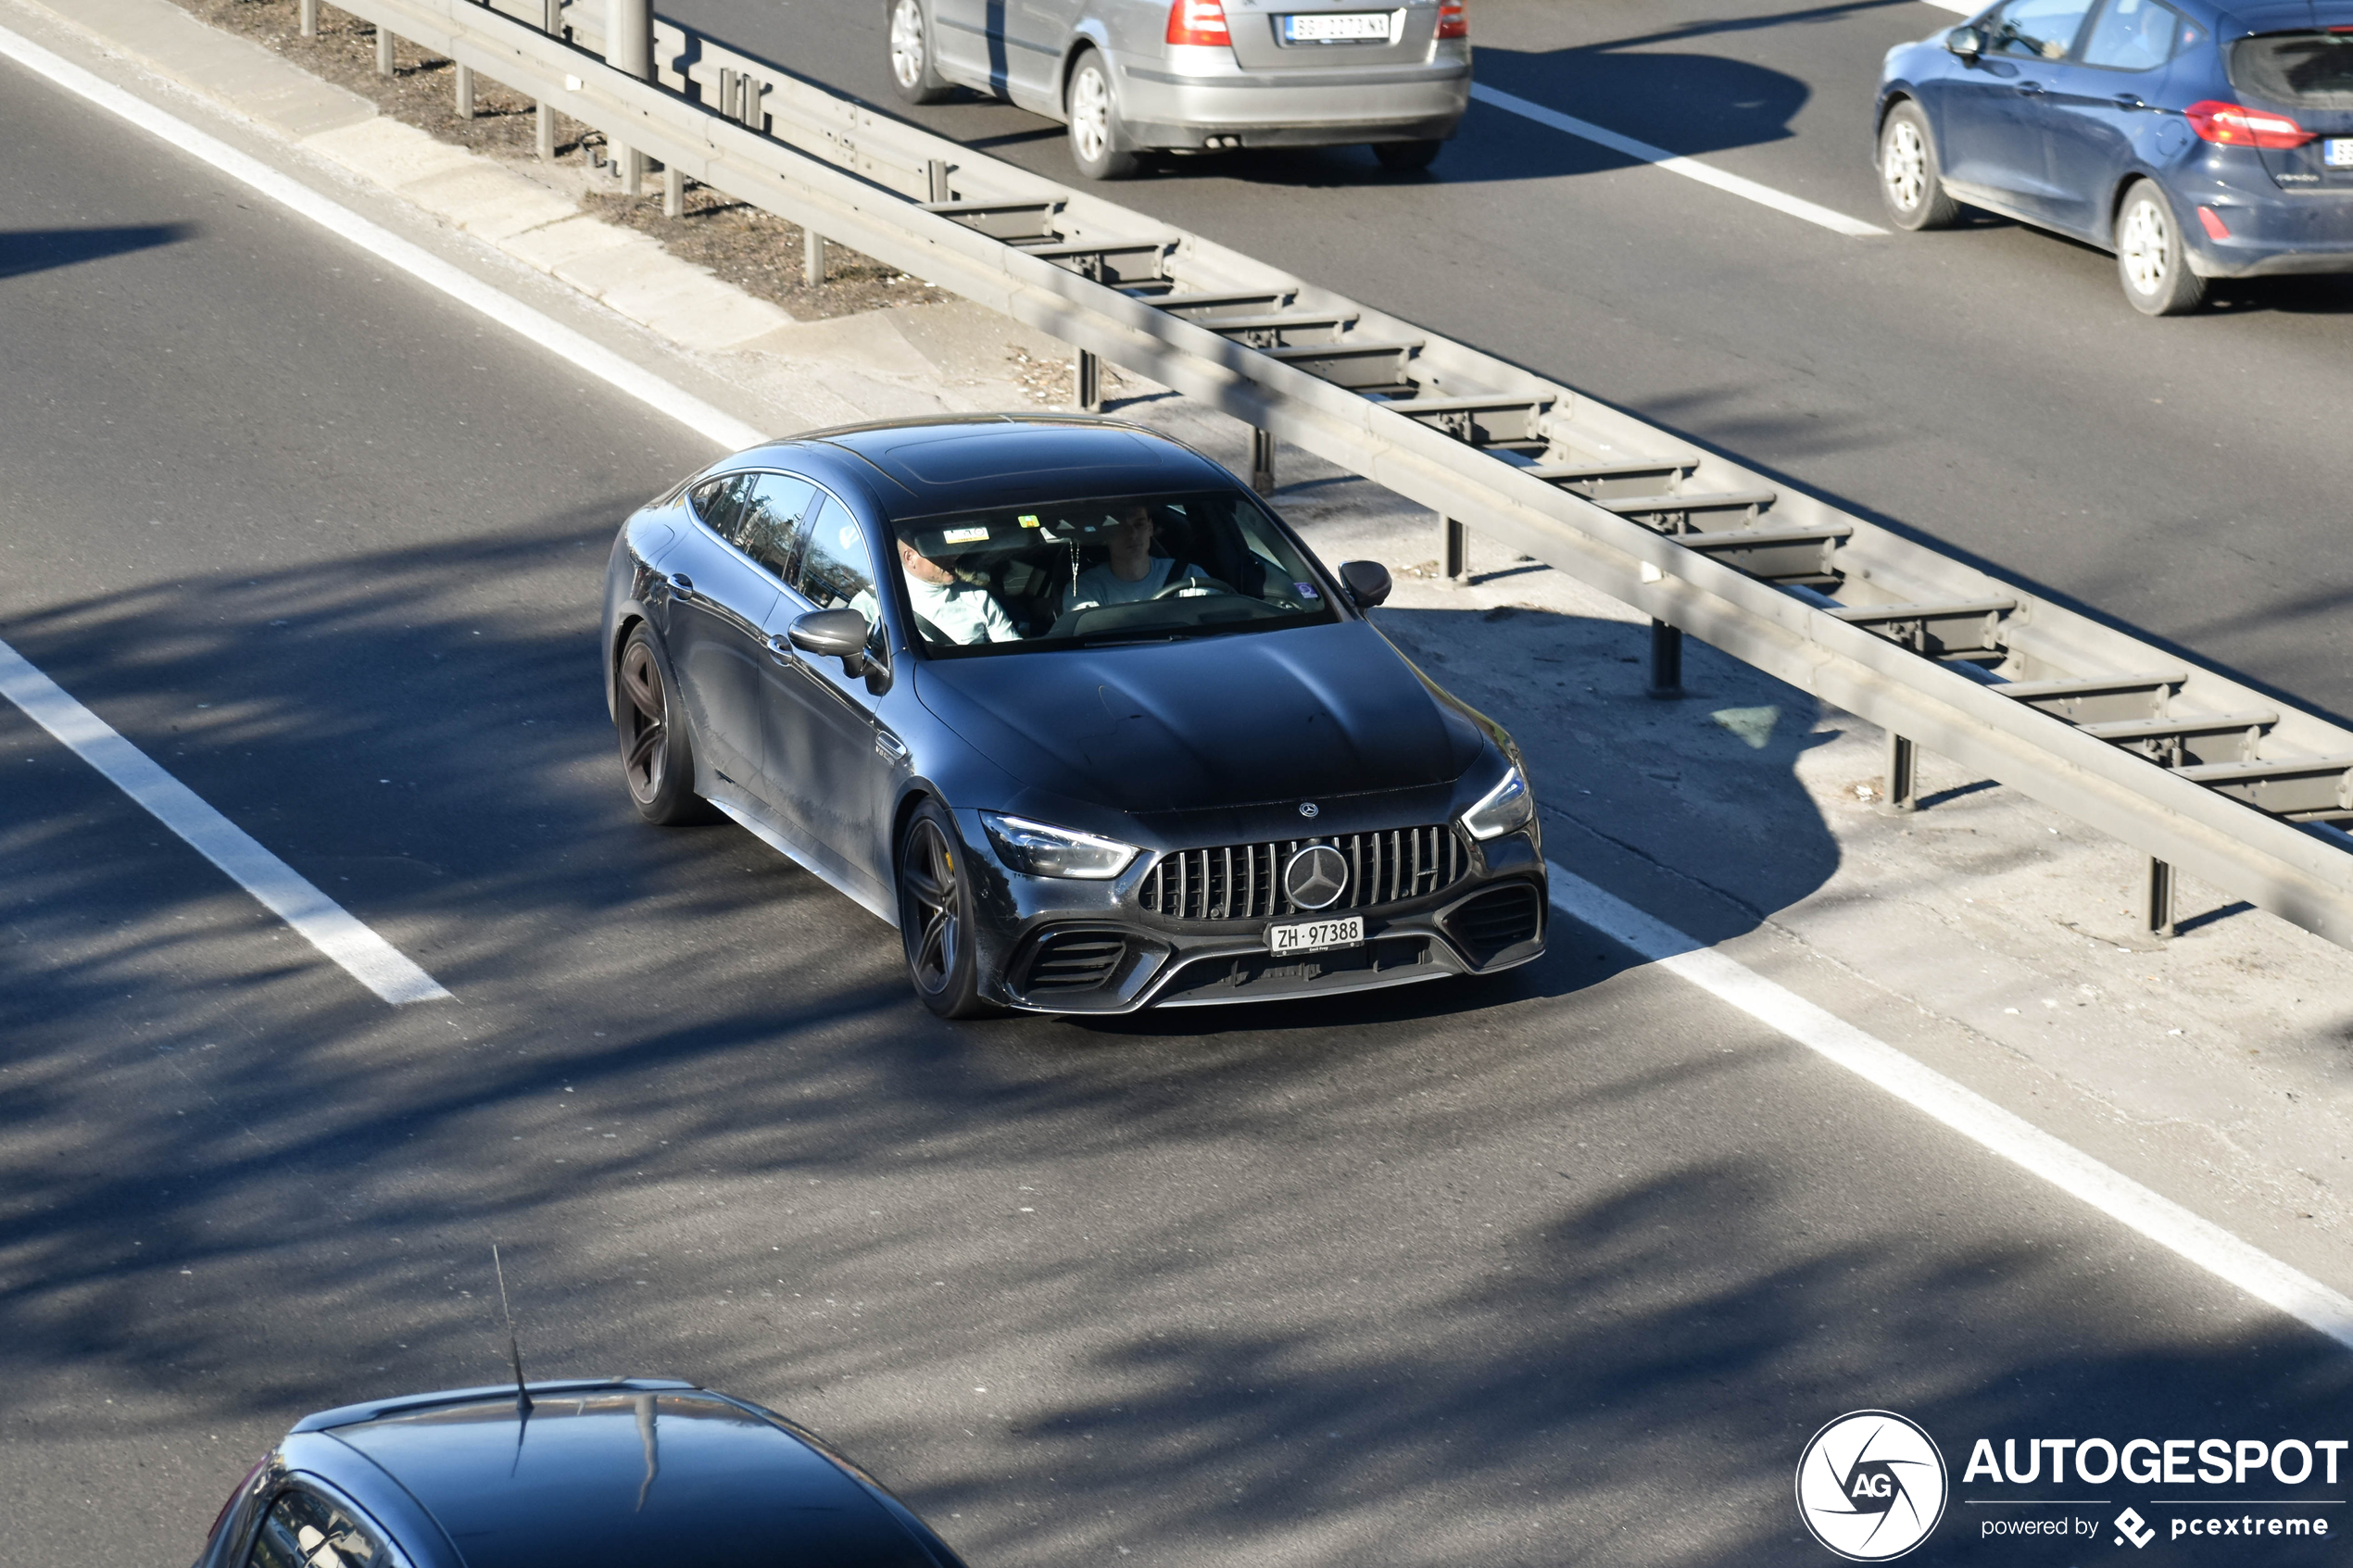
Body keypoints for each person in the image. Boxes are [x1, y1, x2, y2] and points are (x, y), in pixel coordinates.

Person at [1063, 503, 1206, 611]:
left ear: (1150, 528)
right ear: (1104, 535)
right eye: (1119, 526)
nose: (1132, 534)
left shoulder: (1188, 576)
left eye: (1139, 524)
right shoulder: (1085, 590)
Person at [898, 537, 1019, 645]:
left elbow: (1015, 652)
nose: (952, 558)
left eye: (950, 550)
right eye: (938, 553)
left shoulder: (978, 598)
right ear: (909, 558)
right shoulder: (885, 605)